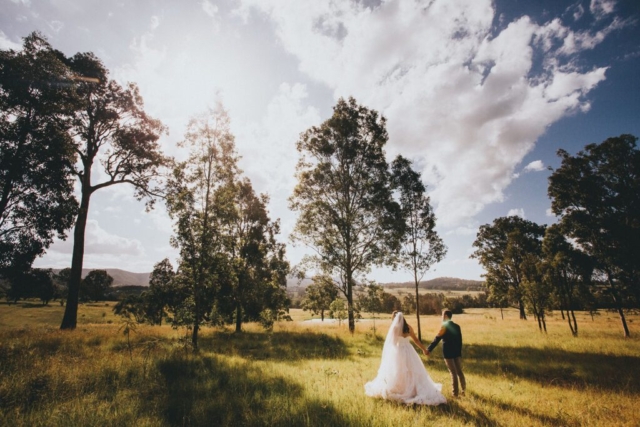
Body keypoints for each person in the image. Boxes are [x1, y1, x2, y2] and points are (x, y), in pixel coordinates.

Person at [364, 311, 447, 405]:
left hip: (398, 351)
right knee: (411, 370)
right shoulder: (408, 327)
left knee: (399, 371)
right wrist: (424, 349)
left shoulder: (395, 328)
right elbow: (416, 340)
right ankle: (412, 390)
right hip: (409, 350)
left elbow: (392, 343)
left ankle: (401, 389)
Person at [426, 309, 466, 397]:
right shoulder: (457, 326)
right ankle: (463, 391)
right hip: (457, 352)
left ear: (446, 316)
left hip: (448, 353)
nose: (441, 317)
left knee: (453, 373)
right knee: (459, 371)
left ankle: (455, 394)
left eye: (442, 315)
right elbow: (460, 341)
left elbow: (436, 340)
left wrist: (428, 349)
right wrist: (459, 353)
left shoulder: (444, 327)